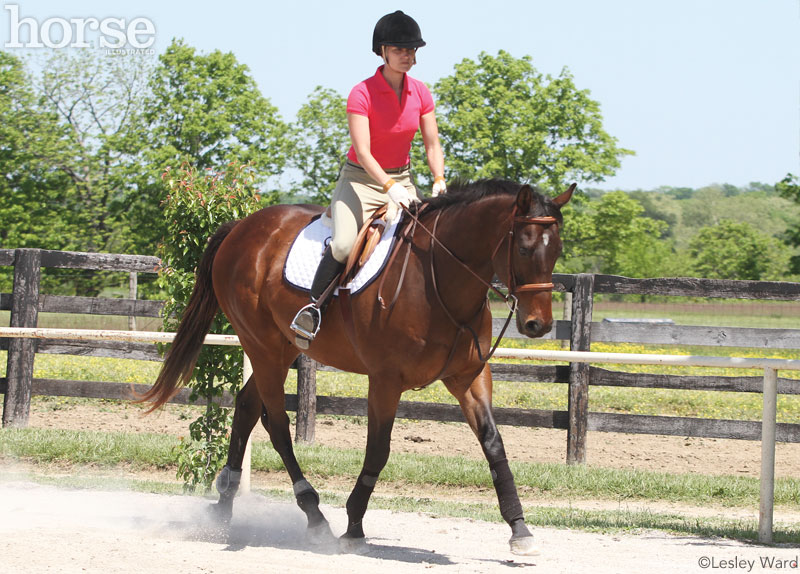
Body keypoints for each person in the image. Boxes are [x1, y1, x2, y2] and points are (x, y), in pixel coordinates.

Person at [290, 10, 446, 348]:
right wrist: (389, 189)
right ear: (383, 51)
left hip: (401, 179)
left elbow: (432, 142)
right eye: (401, 50)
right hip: (360, 181)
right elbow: (363, 152)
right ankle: (312, 309)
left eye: (412, 51)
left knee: (424, 242)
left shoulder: (421, 92)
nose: (408, 56)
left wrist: (438, 177)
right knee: (345, 244)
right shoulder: (361, 93)